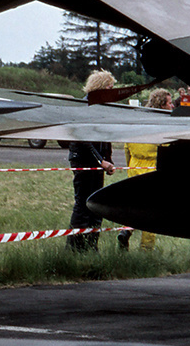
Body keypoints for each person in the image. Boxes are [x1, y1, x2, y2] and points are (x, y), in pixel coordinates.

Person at [66, 70, 117, 252]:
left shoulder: (104, 107)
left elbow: (106, 135)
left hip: (97, 162)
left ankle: (91, 247)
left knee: (96, 204)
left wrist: (108, 160)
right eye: (110, 88)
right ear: (100, 87)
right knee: (82, 204)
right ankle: (73, 248)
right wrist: (100, 160)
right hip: (82, 159)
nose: (112, 91)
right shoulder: (84, 105)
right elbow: (83, 138)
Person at [119, 88, 171, 250]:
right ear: (162, 105)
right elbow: (166, 147)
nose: (172, 106)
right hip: (151, 169)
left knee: (133, 207)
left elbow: (127, 147)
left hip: (134, 167)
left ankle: (125, 231)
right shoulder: (161, 124)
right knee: (151, 211)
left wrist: (130, 166)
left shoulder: (138, 119)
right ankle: (146, 249)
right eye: (169, 103)